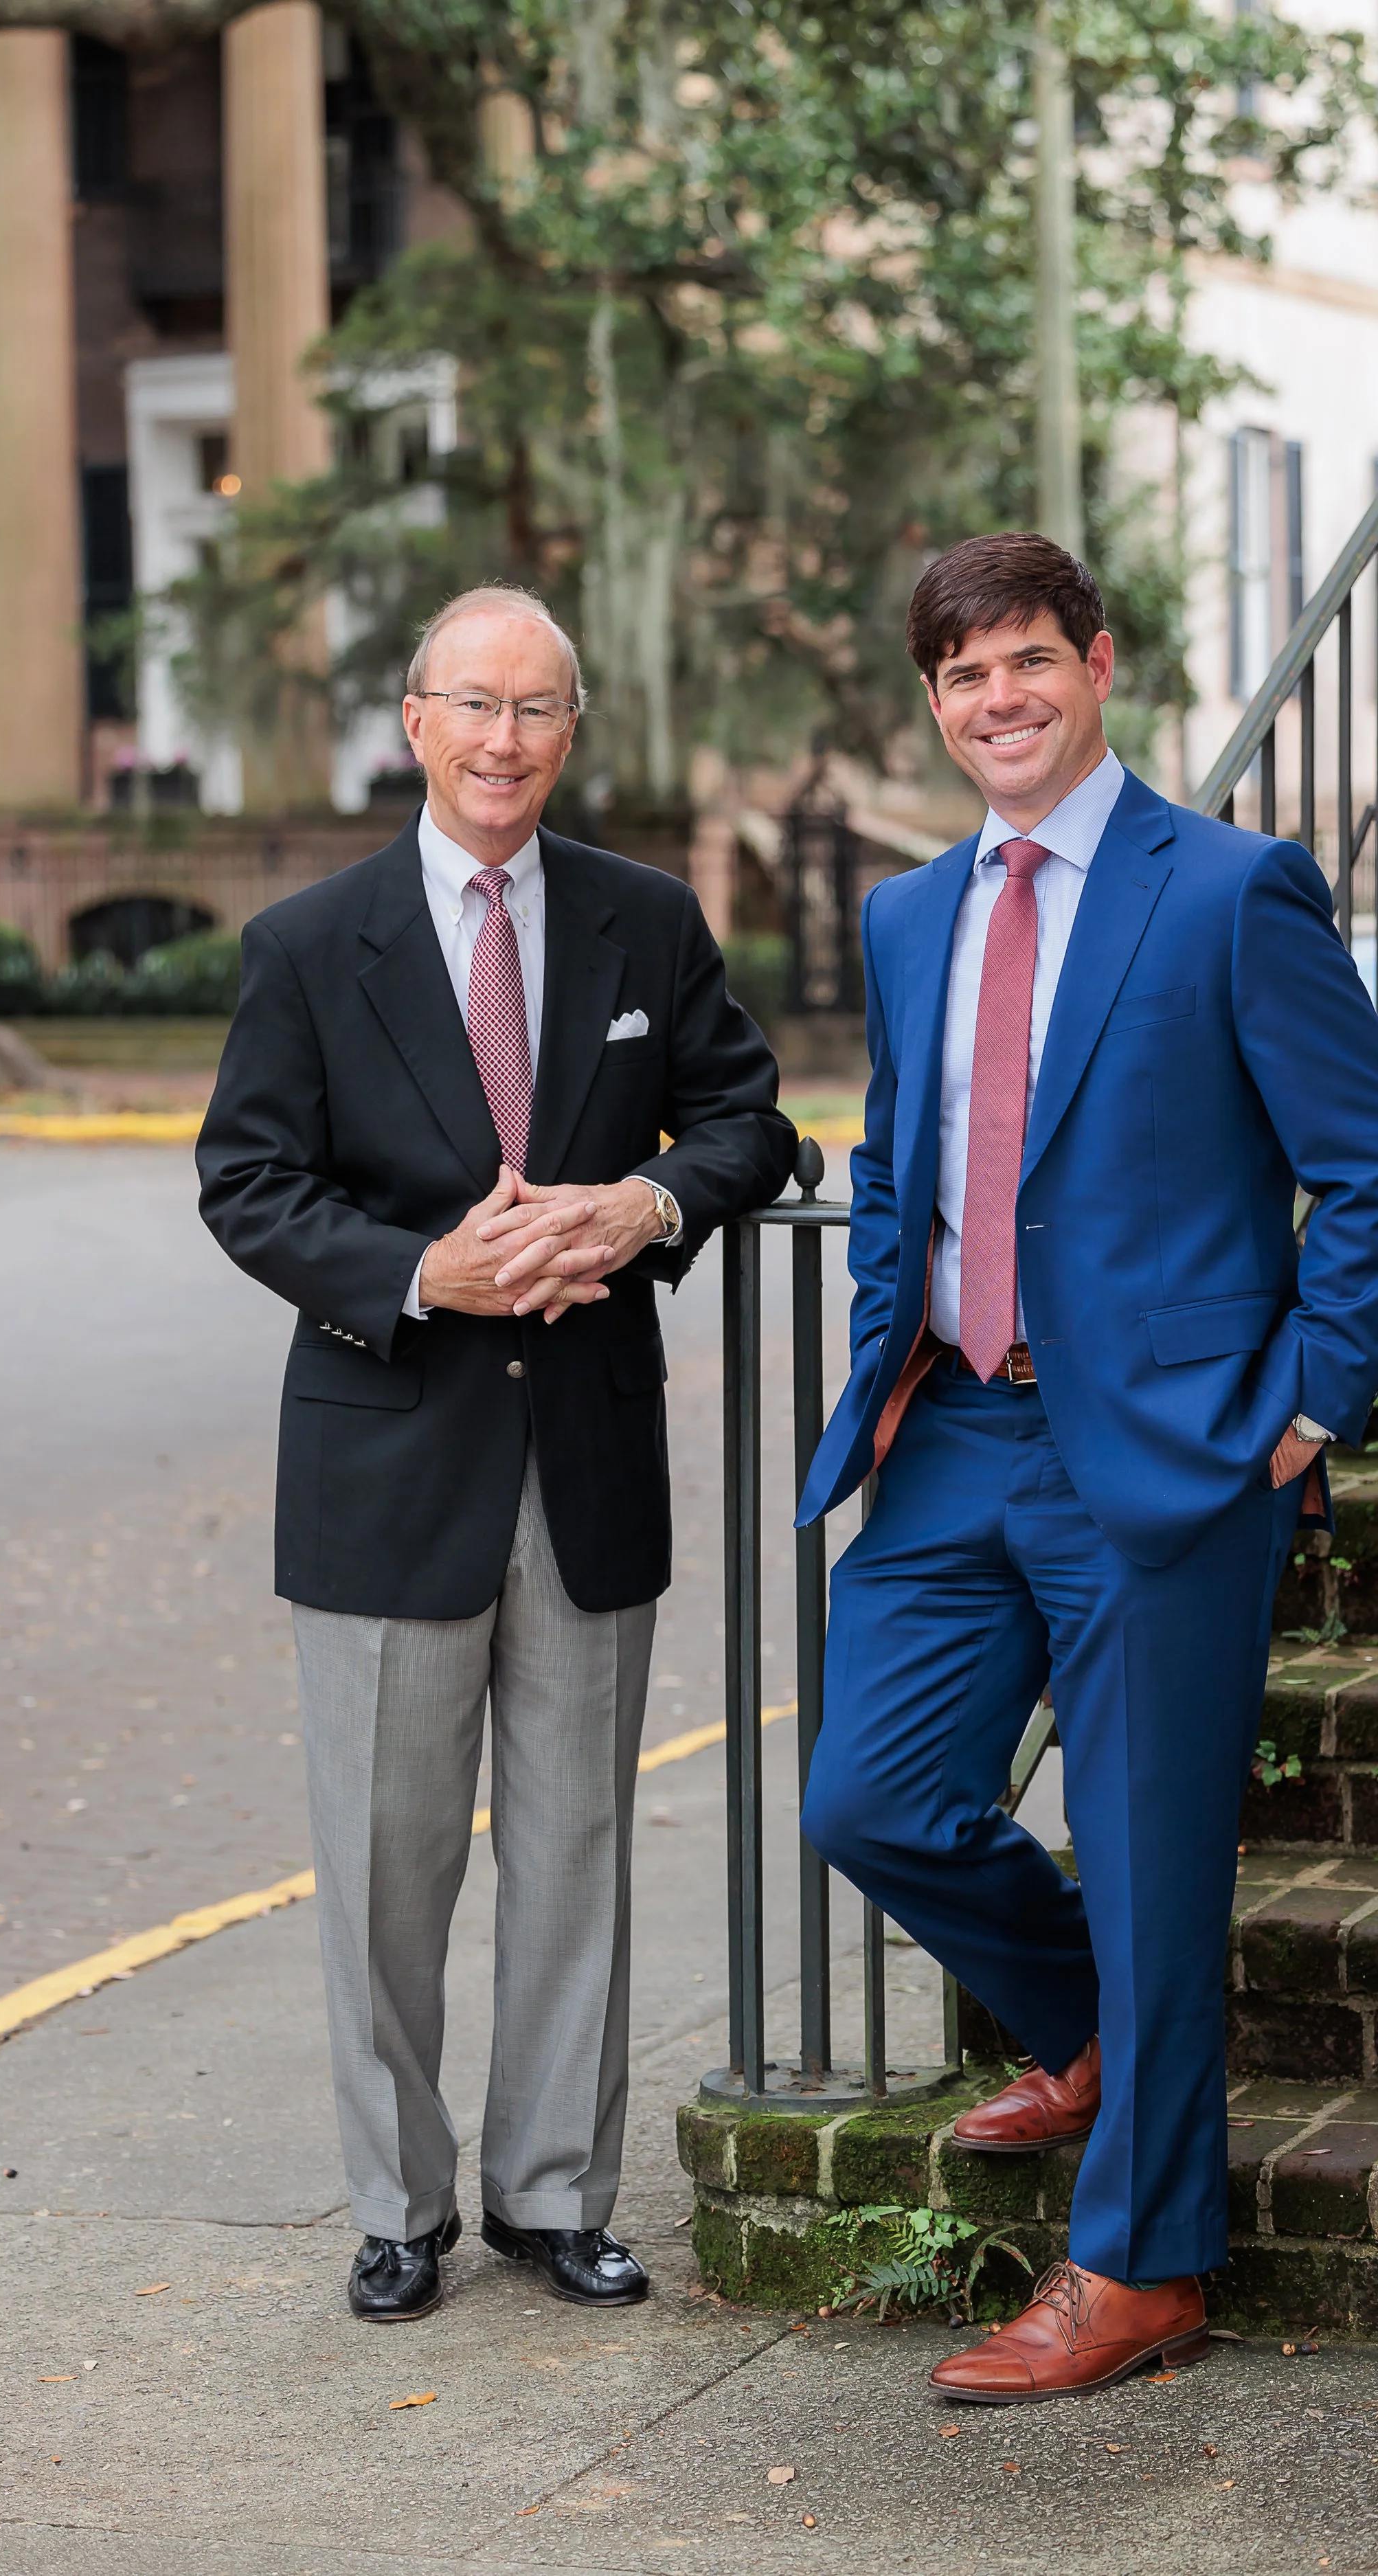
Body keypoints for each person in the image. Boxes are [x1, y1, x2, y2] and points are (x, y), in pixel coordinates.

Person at [795, 531, 1378, 2401]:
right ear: (935, 702)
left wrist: (1304, 1404)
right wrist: (878, 1346)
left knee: (1153, 1862)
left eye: (1025, 662)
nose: (996, 699)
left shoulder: (1228, 891)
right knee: (871, 1794)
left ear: (1093, 666)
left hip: (1168, 1455)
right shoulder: (908, 912)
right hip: (953, 1432)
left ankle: (1140, 2262)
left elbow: (1372, 1163)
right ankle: (1087, 2022)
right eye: (961, 675)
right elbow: (898, 1168)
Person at [199, 583, 795, 2323]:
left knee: (575, 1851)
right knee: (387, 1869)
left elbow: (749, 1118)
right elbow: (250, 1185)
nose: (502, 743)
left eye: (537, 711)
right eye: (472, 706)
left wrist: (642, 1201)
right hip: (389, 1469)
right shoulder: (312, 945)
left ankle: (553, 2193)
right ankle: (397, 2204)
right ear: (413, 720)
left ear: (570, 729)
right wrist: (415, 1274)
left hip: (588, 1465)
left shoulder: (641, 919)